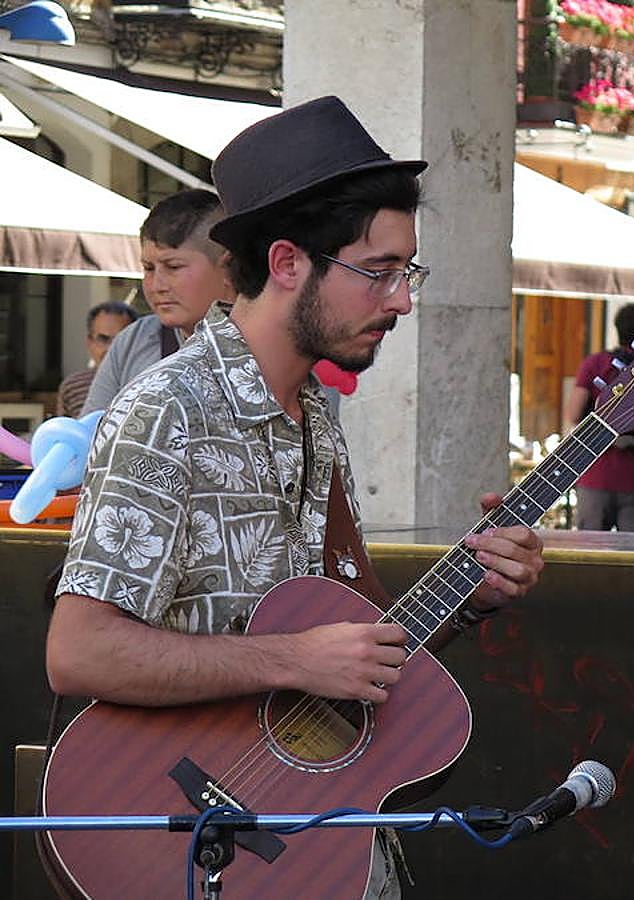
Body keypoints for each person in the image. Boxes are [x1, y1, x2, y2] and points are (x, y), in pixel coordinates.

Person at [45, 96, 545, 897]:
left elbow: (363, 655)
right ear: (286, 264)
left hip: (315, 845)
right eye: (378, 272)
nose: (403, 301)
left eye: (406, 273)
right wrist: (292, 658)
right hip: (195, 841)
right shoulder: (168, 411)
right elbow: (78, 652)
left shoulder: (315, 415)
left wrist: (470, 595)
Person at [81, 188, 233, 414]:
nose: (156, 286)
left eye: (173, 267)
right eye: (148, 268)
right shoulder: (133, 342)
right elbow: (92, 436)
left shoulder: (268, 344)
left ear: (228, 267)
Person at [564, 302, 634, 531]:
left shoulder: (596, 364)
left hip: (595, 475)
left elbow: (573, 414)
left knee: (591, 560)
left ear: (617, 329)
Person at [55, 301, 136, 417]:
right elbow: (65, 432)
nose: (111, 349)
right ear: (89, 342)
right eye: (103, 339)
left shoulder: (149, 384)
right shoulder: (72, 387)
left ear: (136, 343)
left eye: (121, 340)